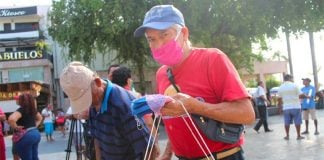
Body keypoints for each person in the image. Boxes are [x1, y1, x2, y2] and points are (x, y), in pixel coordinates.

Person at [134, 5, 255, 159]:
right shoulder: (161, 74)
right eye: (151, 39)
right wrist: (167, 153)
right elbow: (175, 119)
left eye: (164, 35)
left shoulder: (212, 59)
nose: (158, 45)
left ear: (183, 33)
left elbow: (247, 114)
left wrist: (194, 107)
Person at [59, 61, 159, 160]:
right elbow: (97, 140)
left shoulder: (124, 105)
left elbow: (149, 148)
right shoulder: (95, 103)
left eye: (87, 98)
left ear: (97, 82)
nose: (87, 104)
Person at [8, 93, 43, 160]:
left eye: (18, 99)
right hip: (35, 133)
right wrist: (34, 126)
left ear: (22, 101)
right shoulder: (32, 109)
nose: (16, 100)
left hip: (25, 135)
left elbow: (11, 119)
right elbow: (40, 118)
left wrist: (15, 127)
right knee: (34, 157)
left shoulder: (21, 110)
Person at [277, 74, 304, 140]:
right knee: (297, 121)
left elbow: (279, 99)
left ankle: (287, 135)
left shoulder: (281, 87)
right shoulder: (294, 85)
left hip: (286, 107)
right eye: (292, 78)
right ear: (290, 78)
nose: (293, 79)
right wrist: (306, 96)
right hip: (295, 106)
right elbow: (301, 95)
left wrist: (280, 108)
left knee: (286, 122)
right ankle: (298, 135)